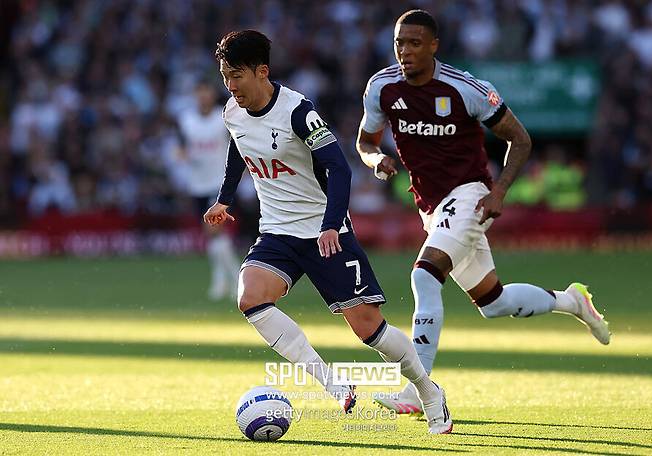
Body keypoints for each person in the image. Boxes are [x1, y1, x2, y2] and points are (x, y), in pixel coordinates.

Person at [356, 10, 611, 415]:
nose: (405, 51)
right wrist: (375, 160)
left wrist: (499, 191)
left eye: (415, 43)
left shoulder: (465, 89)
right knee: (494, 302)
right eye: (399, 43)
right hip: (431, 207)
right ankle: (572, 301)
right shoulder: (382, 87)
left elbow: (520, 139)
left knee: (424, 275)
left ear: (434, 46)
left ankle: (419, 391)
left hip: (470, 195)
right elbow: (366, 141)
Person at [204, 29, 452, 434]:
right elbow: (238, 148)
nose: (230, 85)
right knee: (250, 298)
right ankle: (333, 383)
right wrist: (224, 199)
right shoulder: (233, 112)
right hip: (277, 231)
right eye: (224, 76)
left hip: (324, 231)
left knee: (368, 327)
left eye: (237, 75)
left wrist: (332, 224)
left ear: (262, 71)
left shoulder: (299, 113)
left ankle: (428, 390)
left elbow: (338, 168)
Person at [176, 79, 240, 300]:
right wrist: (182, 156)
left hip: (219, 183)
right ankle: (222, 280)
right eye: (200, 92)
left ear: (213, 94)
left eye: (207, 92)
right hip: (197, 184)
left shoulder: (222, 118)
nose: (203, 96)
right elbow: (180, 148)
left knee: (214, 230)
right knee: (213, 236)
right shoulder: (186, 120)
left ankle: (235, 279)